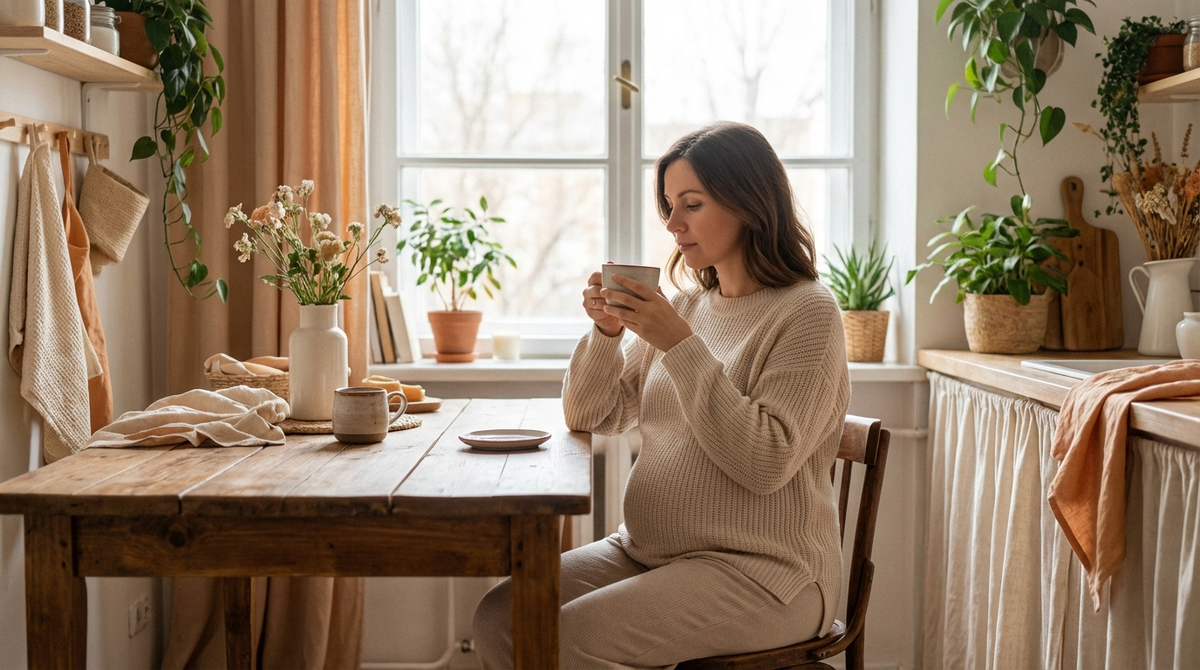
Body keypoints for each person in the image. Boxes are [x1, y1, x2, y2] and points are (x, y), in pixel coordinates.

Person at [473, 121, 850, 669]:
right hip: (649, 553)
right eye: (670, 205)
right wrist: (606, 333)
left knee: (561, 639)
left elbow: (764, 462)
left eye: (691, 205)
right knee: (499, 617)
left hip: (766, 574)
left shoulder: (808, 312)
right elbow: (592, 413)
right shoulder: (693, 305)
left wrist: (678, 343)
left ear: (747, 203)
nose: (672, 223)